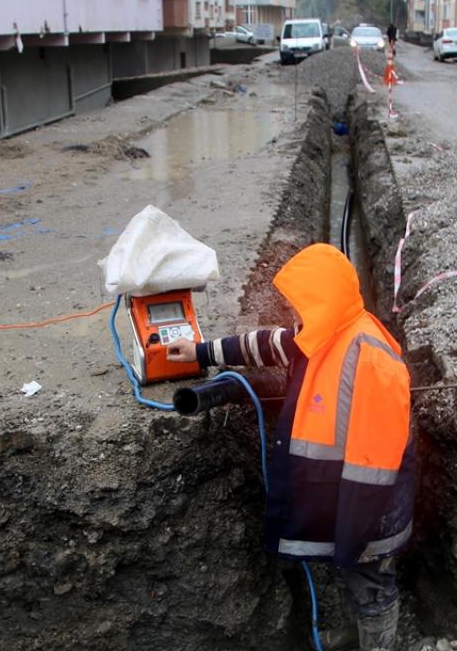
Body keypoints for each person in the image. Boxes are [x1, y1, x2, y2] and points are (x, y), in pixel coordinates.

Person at [167, 243, 415, 650]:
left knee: (371, 582)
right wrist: (200, 352)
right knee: (353, 576)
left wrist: (352, 536)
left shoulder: (371, 359)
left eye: (302, 304)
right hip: (347, 505)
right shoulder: (322, 332)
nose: (295, 315)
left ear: (324, 300)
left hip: (372, 511)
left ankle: (376, 640)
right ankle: (359, 630)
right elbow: (267, 345)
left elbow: (373, 466)